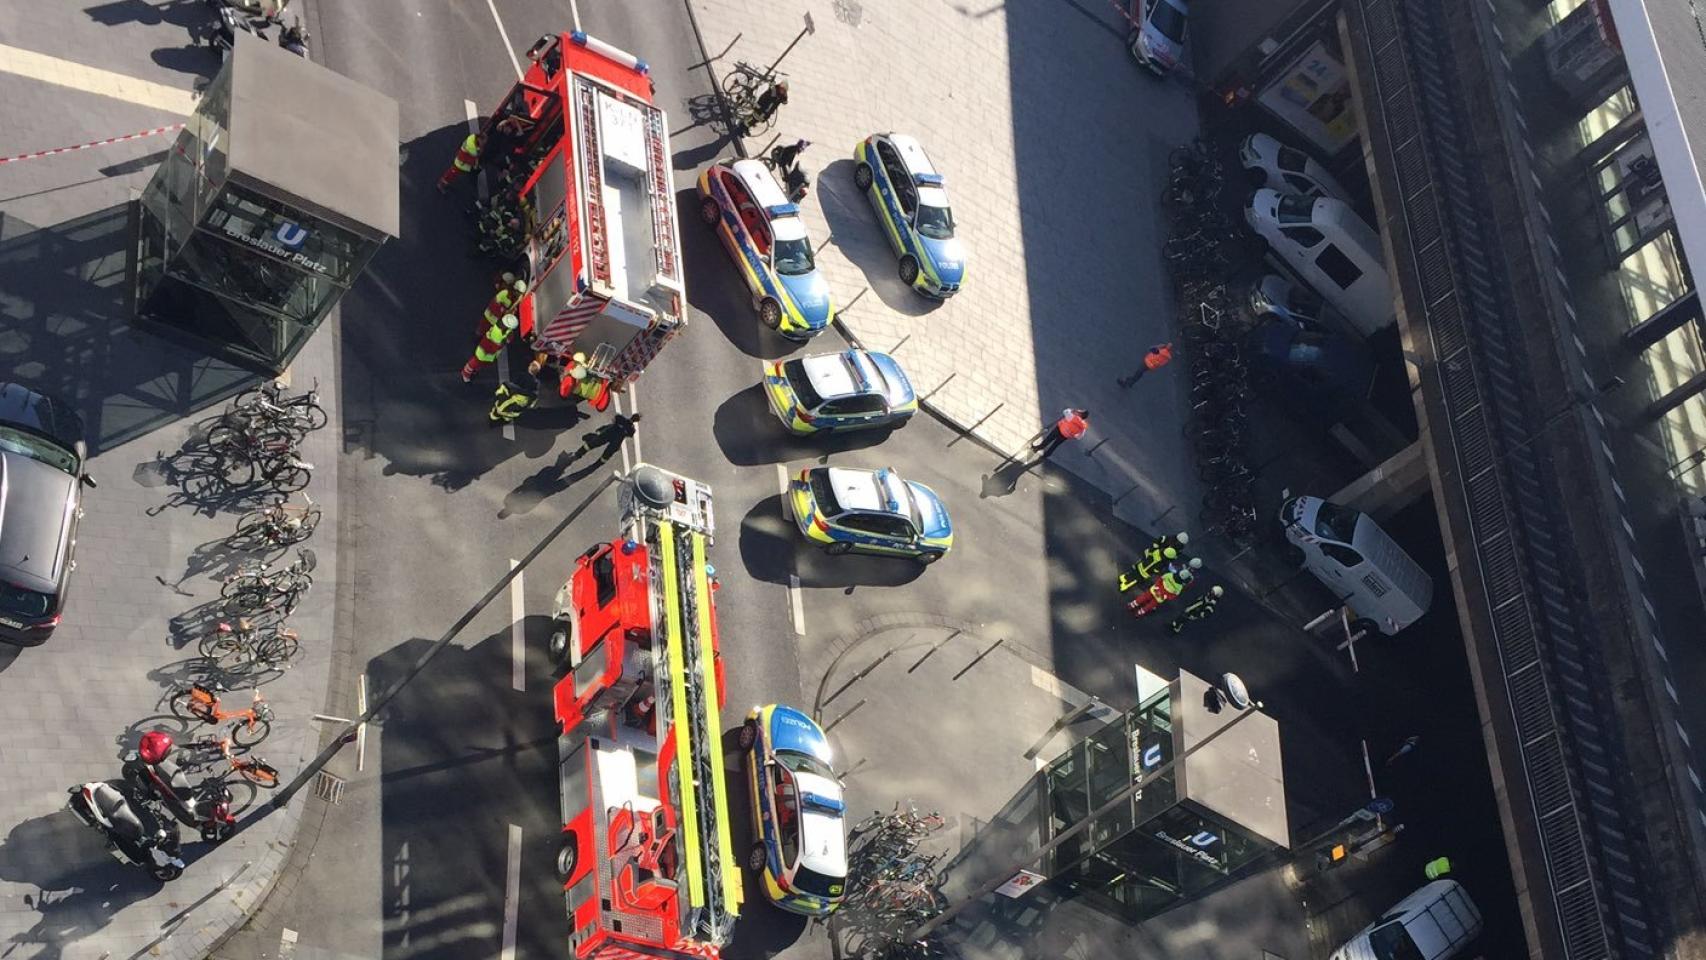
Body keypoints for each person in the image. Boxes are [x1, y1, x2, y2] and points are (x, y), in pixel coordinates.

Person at [462, 313, 519, 382]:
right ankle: (465, 374)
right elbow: (504, 342)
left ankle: (472, 371)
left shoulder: (499, 325)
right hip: (485, 351)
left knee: (480, 363)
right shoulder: (500, 335)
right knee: (475, 363)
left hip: (488, 351)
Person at [571, 413, 644, 464]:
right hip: (616, 441)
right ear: (636, 421)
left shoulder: (620, 418)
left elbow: (613, 421)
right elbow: (629, 435)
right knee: (607, 454)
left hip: (607, 434)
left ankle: (577, 454)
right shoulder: (632, 430)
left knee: (592, 444)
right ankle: (598, 463)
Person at [1129, 566, 1193, 618]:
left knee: (1144, 597)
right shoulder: (1179, 587)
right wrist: (1166, 597)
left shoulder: (1169, 575)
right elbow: (1174, 595)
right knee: (1151, 605)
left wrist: (1156, 585)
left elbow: (1160, 579)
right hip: (1161, 597)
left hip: (1154, 589)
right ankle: (1139, 613)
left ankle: (1132, 605)